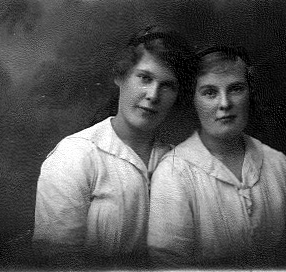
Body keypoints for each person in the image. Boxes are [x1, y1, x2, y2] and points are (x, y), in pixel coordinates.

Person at [32, 26, 195, 268]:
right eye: (145, 78)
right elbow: (56, 260)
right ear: (120, 77)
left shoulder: (180, 164)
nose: (153, 95)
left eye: (167, 85)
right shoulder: (76, 155)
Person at [147, 46, 286, 268]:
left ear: (250, 94)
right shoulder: (174, 172)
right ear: (193, 100)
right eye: (209, 92)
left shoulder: (279, 164)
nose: (224, 104)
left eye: (235, 89)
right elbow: (168, 265)